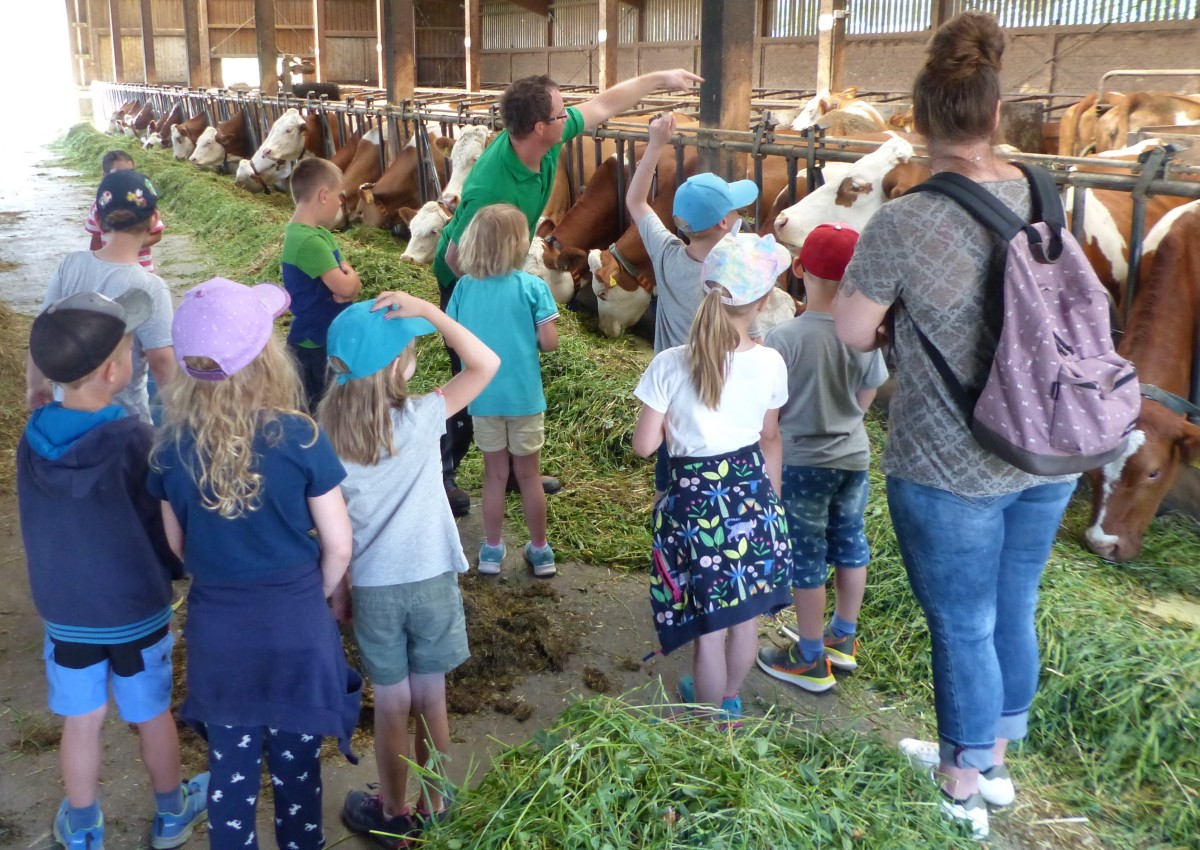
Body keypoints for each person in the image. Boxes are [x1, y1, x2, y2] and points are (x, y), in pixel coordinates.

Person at [831, 12, 1078, 839]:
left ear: (918, 123)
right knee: (1015, 603)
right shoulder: (1047, 191)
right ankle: (996, 760)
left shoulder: (902, 220)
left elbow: (852, 333)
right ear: (997, 113)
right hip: (1045, 445)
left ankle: (961, 782)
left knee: (961, 623)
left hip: (951, 456)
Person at [147, 278, 362, 850]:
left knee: (231, 777)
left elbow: (178, 547)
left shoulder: (169, 447)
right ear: (268, 355)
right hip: (296, 626)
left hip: (221, 632)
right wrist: (312, 592)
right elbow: (339, 543)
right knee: (297, 773)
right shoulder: (300, 435)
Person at [433, 68, 703, 516]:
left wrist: (660, 77)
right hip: (470, 283)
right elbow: (455, 259)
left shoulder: (545, 138)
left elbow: (602, 104)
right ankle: (442, 472)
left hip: (504, 273)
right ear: (540, 127)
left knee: (513, 371)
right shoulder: (489, 188)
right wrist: (496, 297)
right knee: (472, 378)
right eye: (561, 112)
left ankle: (521, 471)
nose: (570, 117)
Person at [17, 290, 208, 850]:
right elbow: (160, 517)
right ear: (114, 369)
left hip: (67, 614)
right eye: (131, 349)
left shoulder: (33, 438)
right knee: (151, 715)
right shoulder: (133, 438)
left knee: (83, 721)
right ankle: (172, 815)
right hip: (135, 610)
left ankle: (82, 826)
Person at [318, 293, 499, 847]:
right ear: (400, 367)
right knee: (432, 700)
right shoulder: (423, 417)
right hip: (430, 581)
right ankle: (437, 807)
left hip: (373, 586)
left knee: (392, 704)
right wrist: (431, 312)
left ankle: (393, 810)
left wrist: (339, 590)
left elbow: (335, 532)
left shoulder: (324, 436)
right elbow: (485, 363)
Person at [631, 232, 794, 719]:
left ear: (707, 289)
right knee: (744, 617)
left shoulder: (670, 365)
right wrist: (773, 499)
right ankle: (728, 701)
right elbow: (770, 439)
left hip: (695, 502)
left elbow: (644, 447)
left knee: (709, 627)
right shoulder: (770, 362)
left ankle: (705, 723)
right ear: (764, 301)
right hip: (751, 495)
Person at [756, 223, 888, 694]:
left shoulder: (783, 338)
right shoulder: (864, 337)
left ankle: (810, 657)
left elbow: (768, 410)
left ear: (797, 269)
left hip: (802, 462)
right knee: (851, 542)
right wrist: (845, 417)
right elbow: (868, 391)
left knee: (805, 555)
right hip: (852, 458)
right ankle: (843, 637)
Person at [625, 110, 759, 503]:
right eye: (735, 211)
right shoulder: (738, 272)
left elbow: (636, 200)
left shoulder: (667, 254)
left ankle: (670, 543)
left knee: (670, 487)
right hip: (727, 397)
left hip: (675, 401)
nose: (739, 217)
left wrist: (654, 145)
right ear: (722, 224)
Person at [446, 204, 560, 577]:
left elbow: (456, 339)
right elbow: (550, 342)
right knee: (528, 476)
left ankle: (492, 550)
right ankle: (541, 551)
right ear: (517, 246)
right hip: (524, 398)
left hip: (481, 398)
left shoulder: (463, 287)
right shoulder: (533, 286)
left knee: (494, 475)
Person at [29, 169, 175, 424]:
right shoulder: (151, 287)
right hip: (125, 423)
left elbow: (43, 326)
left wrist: (36, 382)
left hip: (69, 411)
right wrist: (180, 412)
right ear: (154, 220)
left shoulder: (70, 265)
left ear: (97, 217)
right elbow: (162, 361)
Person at [282, 157, 363, 410]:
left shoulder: (320, 235)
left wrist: (346, 281)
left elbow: (345, 281)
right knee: (321, 411)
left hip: (326, 336)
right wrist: (350, 281)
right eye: (340, 195)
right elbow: (347, 287)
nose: (342, 202)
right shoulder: (310, 243)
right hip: (314, 344)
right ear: (324, 195)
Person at [84, 149, 166, 272]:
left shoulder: (142, 202)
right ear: (105, 175)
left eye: (130, 172)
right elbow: (96, 239)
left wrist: (126, 245)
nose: (125, 178)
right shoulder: (99, 205)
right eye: (118, 173)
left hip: (142, 270)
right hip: (108, 270)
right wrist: (93, 266)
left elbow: (157, 235)